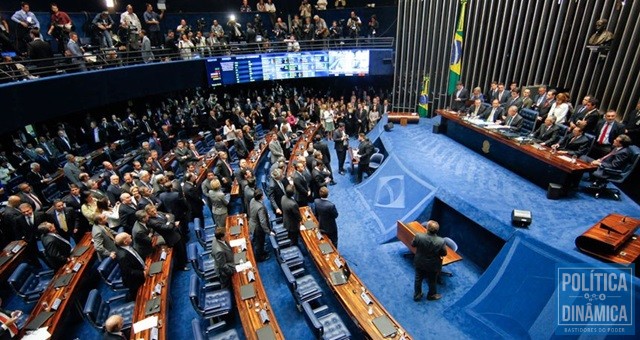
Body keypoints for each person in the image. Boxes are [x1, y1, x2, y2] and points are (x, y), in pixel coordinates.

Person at [412, 220, 446, 302]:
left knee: (418, 278)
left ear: (427, 228)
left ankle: (417, 295)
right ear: (437, 230)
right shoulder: (441, 241)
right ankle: (431, 295)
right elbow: (444, 253)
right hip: (433, 265)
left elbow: (413, 244)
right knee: (432, 280)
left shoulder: (418, 236)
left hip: (419, 262)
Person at [114, 232, 146, 300]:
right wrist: (142, 273)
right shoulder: (123, 256)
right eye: (128, 236)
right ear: (125, 242)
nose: (130, 235)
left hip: (139, 270)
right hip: (134, 280)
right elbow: (129, 272)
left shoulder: (127, 247)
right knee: (140, 296)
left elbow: (136, 257)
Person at [249, 189, 271, 262]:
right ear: (261, 197)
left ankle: (261, 252)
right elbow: (263, 222)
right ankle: (260, 257)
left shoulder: (252, 200)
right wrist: (268, 232)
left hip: (252, 223)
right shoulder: (260, 207)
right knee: (259, 242)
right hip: (258, 228)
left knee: (258, 241)